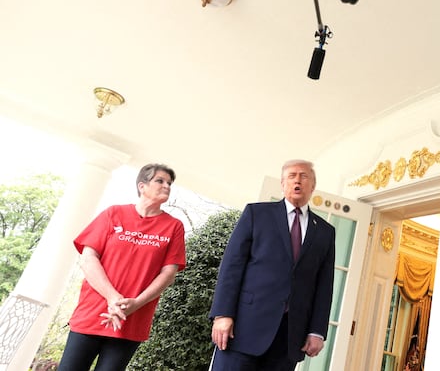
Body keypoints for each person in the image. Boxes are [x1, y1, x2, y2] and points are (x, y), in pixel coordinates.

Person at [209, 159, 336, 371]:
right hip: (243, 327)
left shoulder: (325, 231)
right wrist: (222, 314)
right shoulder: (256, 214)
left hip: (289, 336)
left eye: (304, 176)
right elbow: (232, 266)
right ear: (282, 184)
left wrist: (317, 331)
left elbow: (324, 284)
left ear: (312, 186)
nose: (297, 181)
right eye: (291, 176)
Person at [58, 163, 186, 371]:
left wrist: (135, 303)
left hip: (131, 321)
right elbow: (88, 259)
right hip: (92, 314)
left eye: (169, 183)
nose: (167, 186)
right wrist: (113, 298)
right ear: (142, 186)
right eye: (160, 181)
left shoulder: (173, 226)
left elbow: (169, 273)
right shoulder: (113, 214)